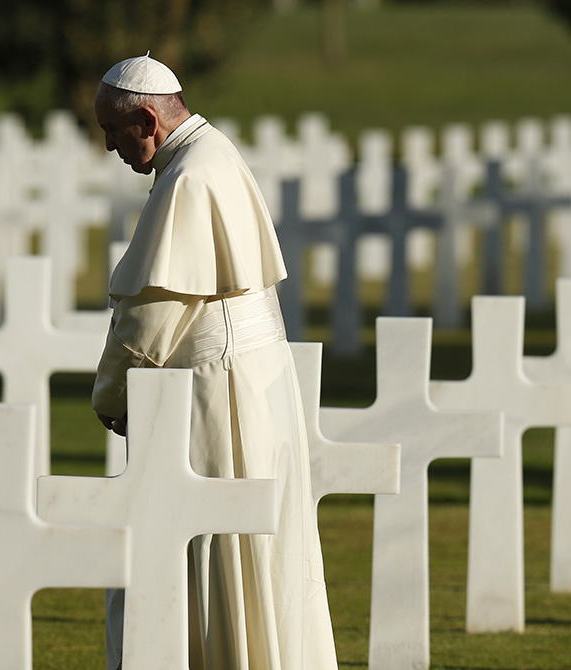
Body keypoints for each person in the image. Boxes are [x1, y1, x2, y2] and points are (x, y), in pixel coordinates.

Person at [91, 54, 339, 669]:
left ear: (147, 119)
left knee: (200, 538)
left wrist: (111, 395)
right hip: (249, 382)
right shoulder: (211, 156)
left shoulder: (189, 179)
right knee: (248, 550)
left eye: (111, 131)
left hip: (213, 393)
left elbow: (154, 315)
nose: (107, 147)